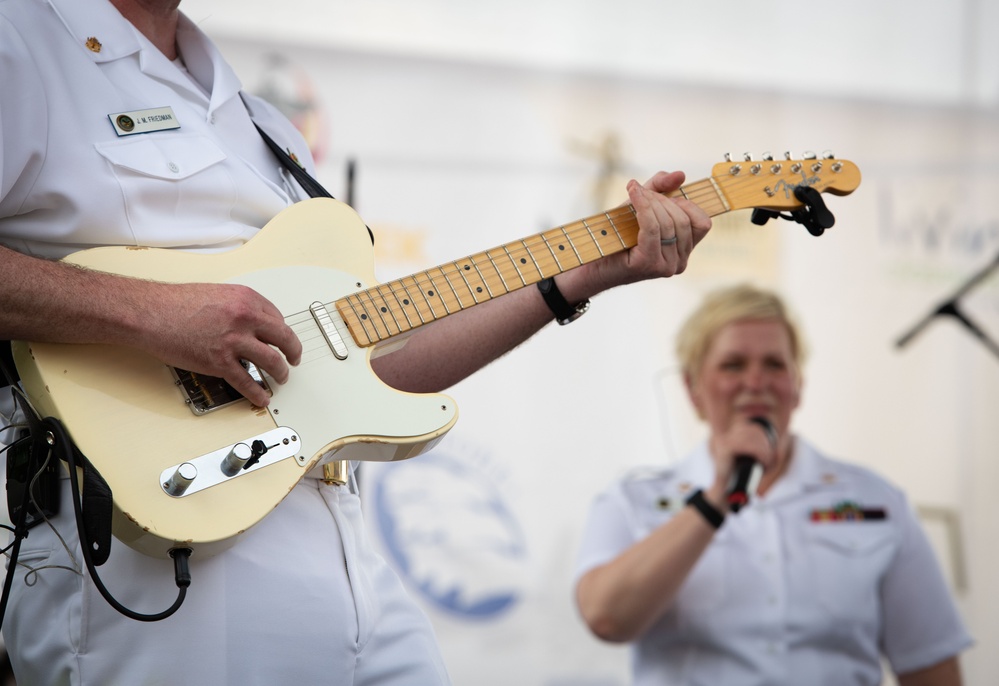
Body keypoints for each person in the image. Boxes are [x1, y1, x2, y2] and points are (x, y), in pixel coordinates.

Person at [0, 0, 713, 683]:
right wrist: (151, 313)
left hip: (332, 540)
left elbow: (366, 368)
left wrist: (578, 276)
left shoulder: (256, 120)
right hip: (145, 552)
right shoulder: (21, 42)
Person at [573, 284, 972, 686]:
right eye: (733, 365)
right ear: (692, 389)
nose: (756, 381)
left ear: (798, 385)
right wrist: (715, 500)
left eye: (775, 365)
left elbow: (931, 666)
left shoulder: (877, 501)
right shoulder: (633, 501)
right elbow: (606, 618)